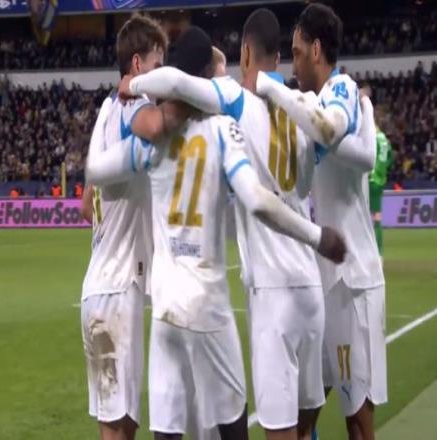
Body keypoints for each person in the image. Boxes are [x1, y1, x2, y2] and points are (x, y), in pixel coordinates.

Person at [117, 9, 368, 440]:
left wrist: (134, 84)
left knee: (278, 428)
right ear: (280, 57)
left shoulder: (235, 100)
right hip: (310, 289)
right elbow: (340, 144)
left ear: (246, 52)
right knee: (307, 422)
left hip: (272, 293)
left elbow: (176, 83)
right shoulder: (306, 108)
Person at [256, 4, 386, 440]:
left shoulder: (340, 89)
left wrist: (357, 114)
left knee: (357, 417)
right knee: (306, 409)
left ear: (316, 50)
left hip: (353, 280)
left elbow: (361, 155)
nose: (292, 65)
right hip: (325, 279)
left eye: (296, 52)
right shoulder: (312, 106)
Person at [80, 14, 183, 440]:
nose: (163, 74)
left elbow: (85, 206)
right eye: (158, 64)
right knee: (118, 428)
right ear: (138, 65)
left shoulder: (106, 111)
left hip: (103, 287)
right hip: (117, 291)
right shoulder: (131, 106)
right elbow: (157, 125)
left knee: (123, 423)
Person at [369, 120, 393, 257]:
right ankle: (379, 252)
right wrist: (382, 172)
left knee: (363, 215)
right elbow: (390, 159)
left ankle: (370, 251)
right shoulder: (385, 141)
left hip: (370, 179)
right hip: (380, 180)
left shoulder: (373, 138)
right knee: (377, 216)